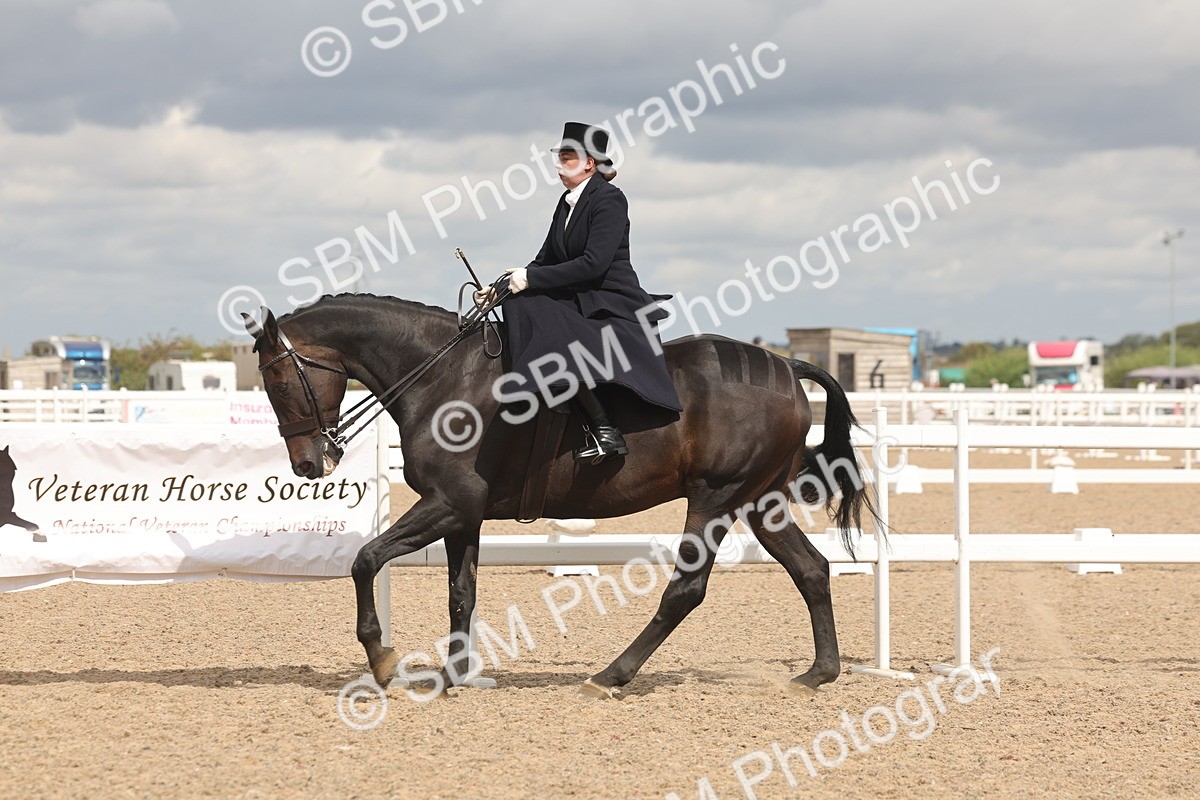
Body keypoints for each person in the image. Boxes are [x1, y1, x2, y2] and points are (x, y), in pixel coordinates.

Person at [478, 122, 681, 463]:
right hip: (579, 295)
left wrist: (531, 280)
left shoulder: (610, 199)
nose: (559, 165)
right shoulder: (567, 202)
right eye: (559, 157)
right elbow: (544, 260)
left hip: (610, 300)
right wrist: (500, 286)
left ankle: (605, 430)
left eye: (567, 157)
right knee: (519, 300)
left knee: (536, 308)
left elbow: (593, 264)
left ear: (589, 163)